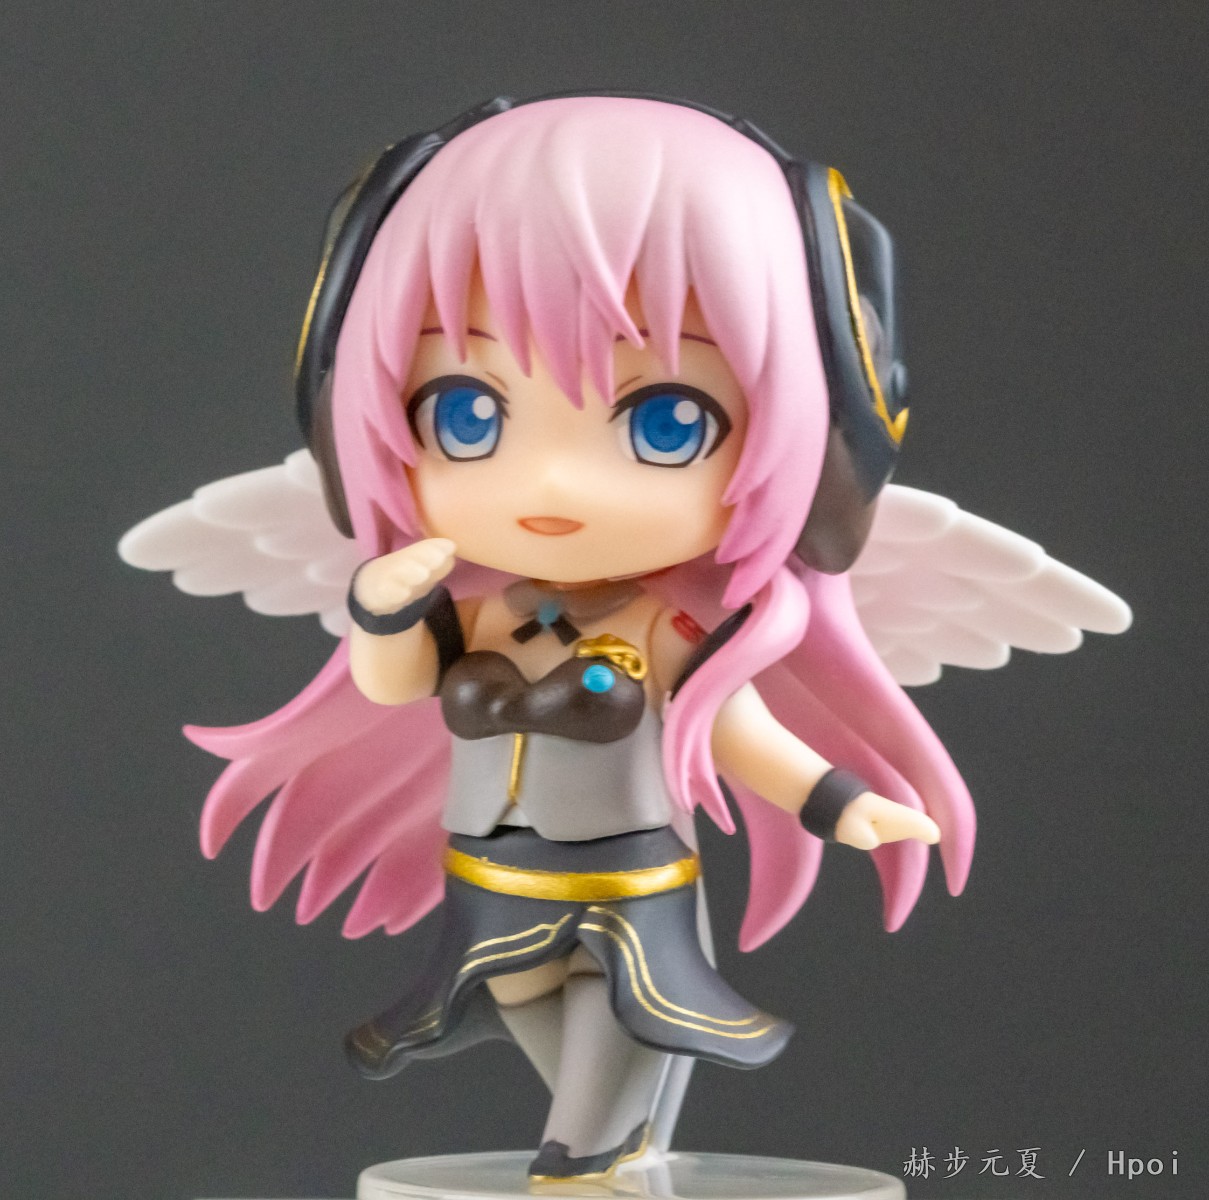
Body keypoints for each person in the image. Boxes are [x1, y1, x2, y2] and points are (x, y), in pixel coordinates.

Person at [186, 95, 972, 1184]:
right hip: (491, 879)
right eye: (466, 414)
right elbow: (396, 683)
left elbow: (735, 729)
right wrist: (383, 612)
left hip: (627, 892)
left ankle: (593, 1147)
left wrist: (840, 803)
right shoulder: (478, 610)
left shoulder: (668, 625)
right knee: (548, 1034)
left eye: (666, 422)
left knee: (590, 1113)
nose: (553, 482)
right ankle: (619, 1139)